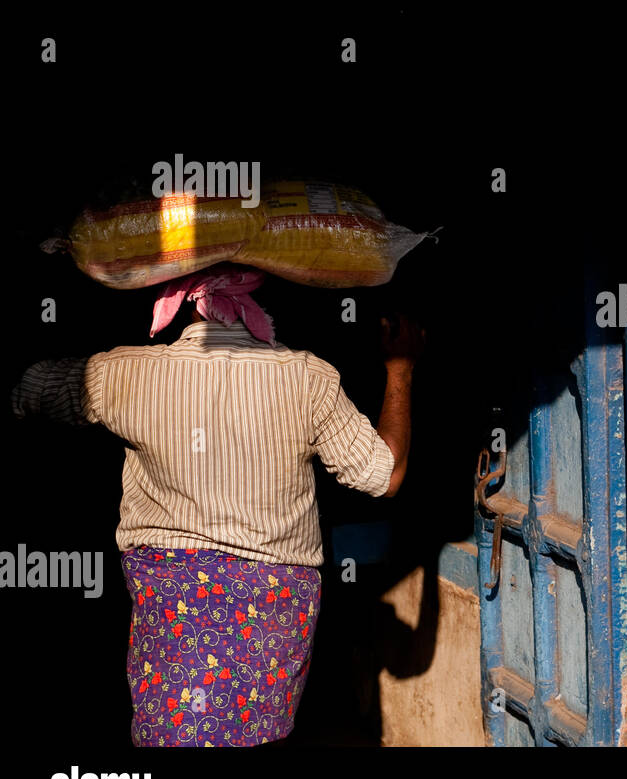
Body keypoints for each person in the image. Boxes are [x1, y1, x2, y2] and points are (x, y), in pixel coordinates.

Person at [10, 264, 424, 746]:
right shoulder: (309, 379)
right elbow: (386, 475)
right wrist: (401, 368)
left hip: (175, 605)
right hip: (273, 611)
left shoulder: (122, 374)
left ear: (178, 300)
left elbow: (28, 390)